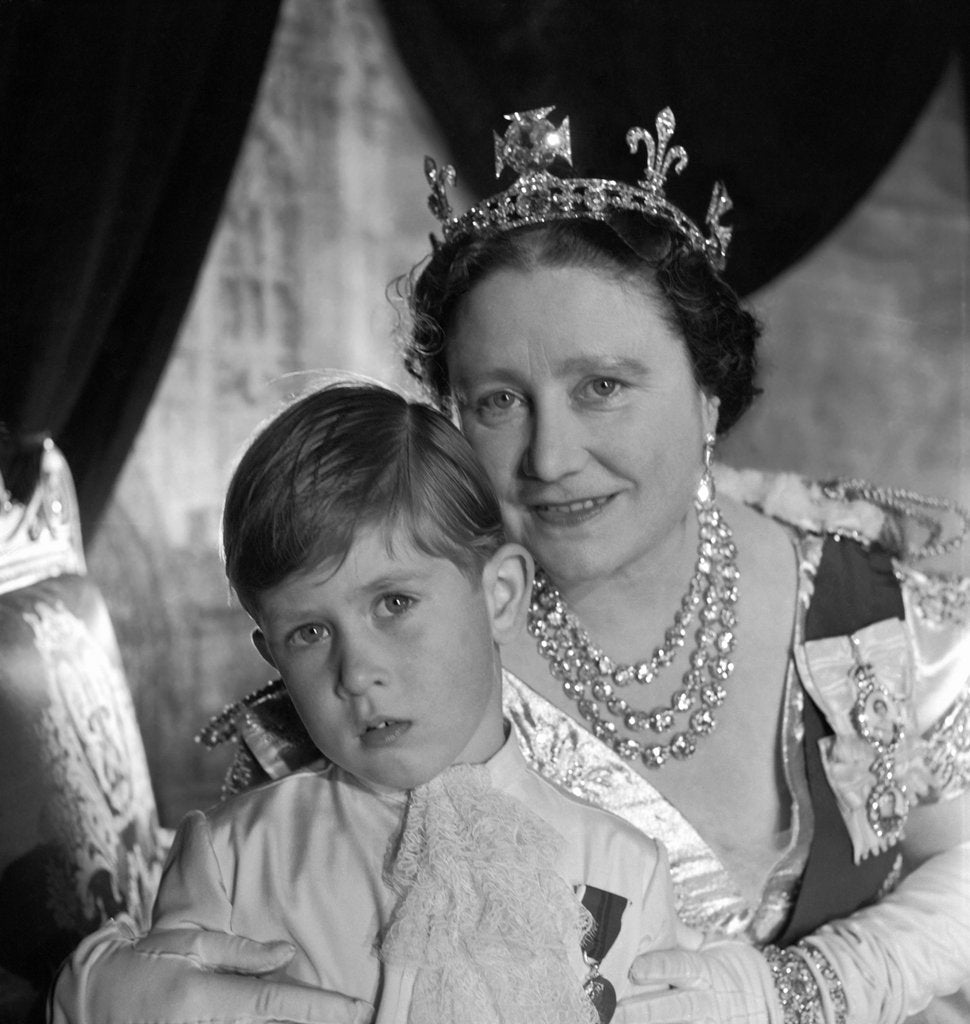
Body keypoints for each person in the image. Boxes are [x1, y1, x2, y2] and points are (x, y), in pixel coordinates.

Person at [52, 107, 970, 1024]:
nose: (550, 456)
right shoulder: (390, 675)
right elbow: (253, 926)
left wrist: (803, 991)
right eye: (497, 402)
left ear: (708, 389)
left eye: (601, 387)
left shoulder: (863, 601)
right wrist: (90, 992)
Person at [51, 381, 701, 1024]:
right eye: (309, 633)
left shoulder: (625, 866)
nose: (357, 672)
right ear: (271, 654)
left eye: (394, 603)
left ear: (500, 594)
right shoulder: (232, 858)